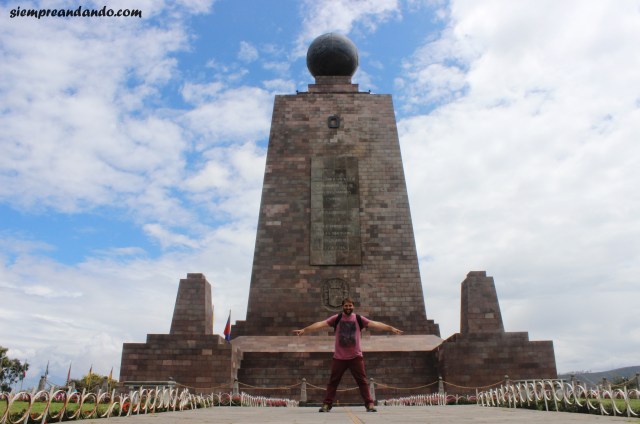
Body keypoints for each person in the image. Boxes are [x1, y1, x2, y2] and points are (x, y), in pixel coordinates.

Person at [293, 297, 403, 412]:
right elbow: (321, 324)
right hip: (339, 357)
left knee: (362, 382)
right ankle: (327, 405)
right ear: (343, 306)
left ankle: (369, 404)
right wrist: (305, 330)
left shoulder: (359, 319)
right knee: (333, 382)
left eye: (350, 306)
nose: (348, 308)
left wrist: (390, 328)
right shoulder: (337, 318)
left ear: (353, 306)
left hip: (356, 356)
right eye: (346, 306)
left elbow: (375, 324)